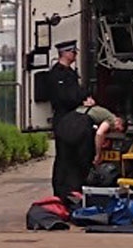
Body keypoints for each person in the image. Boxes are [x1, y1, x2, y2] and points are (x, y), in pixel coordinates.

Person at [48, 39, 94, 199]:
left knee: (74, 156)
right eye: (73, 52)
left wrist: (84, 96)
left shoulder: (70, 73)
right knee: (64, 156)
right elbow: (65, 97)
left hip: (72, 118)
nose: (75, 55)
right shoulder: (57, 74)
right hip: (63, 118)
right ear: (65, 53)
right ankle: (61, 190)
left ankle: (73, 189)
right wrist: (82, 99)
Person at [55, 102, 125, 196]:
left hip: (65, 123)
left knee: (63, 160)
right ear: (119, 121)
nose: (115, 131)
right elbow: (100, 133)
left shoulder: (97, 111)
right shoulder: (111, 118)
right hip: (79, 126)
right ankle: (78, 192)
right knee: (82, 163)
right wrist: (97, 154)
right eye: (118, 129)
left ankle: (60, 192)